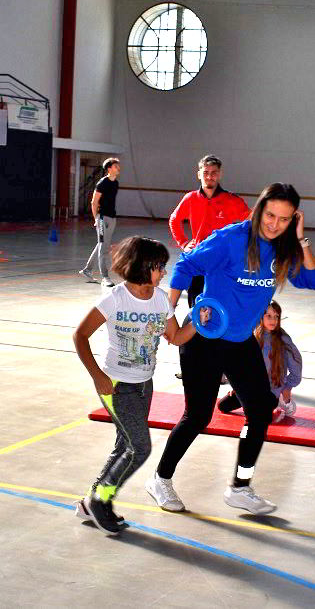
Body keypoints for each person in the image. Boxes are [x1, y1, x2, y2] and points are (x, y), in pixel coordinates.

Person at [146, 183, 315, 516]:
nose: (274, 224)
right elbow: (186, 267)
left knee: (260, 410)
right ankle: (160, 478)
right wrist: (166, 314)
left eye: (285, 219)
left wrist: (302, 240)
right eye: (270, 215)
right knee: (198, 416)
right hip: (206, 337)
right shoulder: (231, 239)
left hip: (241, 341)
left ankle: (240, 487)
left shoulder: (285, 249)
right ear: (259, 210)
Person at [71, 236, 195, 535]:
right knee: (139, 447)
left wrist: (200, 321)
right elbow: (80, 336)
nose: (164, 272)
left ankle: (93, 502)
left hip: (144, 384)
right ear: (144, 266)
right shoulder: (115, 298)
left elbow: (176, 337)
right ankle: (100, 501)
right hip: (115, 385)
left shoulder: (161, 299)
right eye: (160, 266)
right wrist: (97, 375)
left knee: (124, 445)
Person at [167, 155, 250, 306]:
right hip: (199, 259)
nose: (209, 176)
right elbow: (174, 219)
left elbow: (252, 221)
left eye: (214, 172)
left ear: (220, 174)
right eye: (205, 172)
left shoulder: (231, 200)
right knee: (196, 306)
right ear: (199, 174)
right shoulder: (191, 198)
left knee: (221, 304)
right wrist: (183, 243)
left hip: (223, 262)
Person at [217, 301, 301, 423]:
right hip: (250, 388)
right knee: (223, 406)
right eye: (269, 316)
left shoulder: (283, 339)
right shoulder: (250, 335)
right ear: (260, 316)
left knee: (256, 417)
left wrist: (287, 387)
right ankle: (263, 409)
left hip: (271, 391)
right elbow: (238, 362)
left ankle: (281, 401)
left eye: (276, 316)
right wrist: (237, 386)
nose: (273, 320)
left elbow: (296, 365)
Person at [80, 158, 121, 286]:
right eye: (115, 166)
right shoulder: (102, 183)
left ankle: (87, 270)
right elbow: (94, 202)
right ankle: (105, 277)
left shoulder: (116, 183)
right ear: (109, 169)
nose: (118, 168)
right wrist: (96, 219)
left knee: (101, 244)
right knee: (103, 248)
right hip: (102, 218)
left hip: (112, 218)